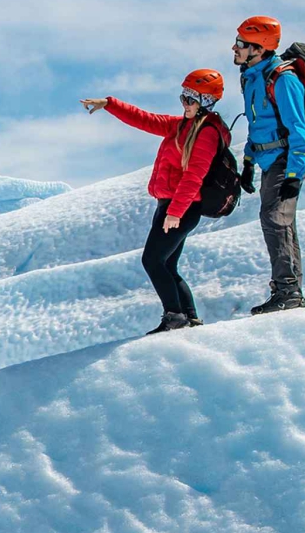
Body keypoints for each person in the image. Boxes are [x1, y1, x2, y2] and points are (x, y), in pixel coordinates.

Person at [82, 69, 229, 334]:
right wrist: (110, 104)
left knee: (152, 261)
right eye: (183, 96)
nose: (185, 102)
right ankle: (189, 317)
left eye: (191, 98)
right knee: (166, 264)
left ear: (207, 101)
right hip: (170, 206)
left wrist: (175, 213)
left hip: (181, 207)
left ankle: (175, 317)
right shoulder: (180, 125)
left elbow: (194, 176)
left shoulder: (206, 133)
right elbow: (146, 120)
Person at [233, 16, 305, 314]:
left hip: (286, 160)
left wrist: (294, 174)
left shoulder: (283, 79)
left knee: (274, 219)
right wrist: (249, 161)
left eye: (241, 43)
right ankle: (289, 291)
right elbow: (257, 124)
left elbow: (298, 129)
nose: (234, 48)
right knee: (282, 223)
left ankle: (288, 292)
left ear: (260, 47)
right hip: (268, 160)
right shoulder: (252, 77)